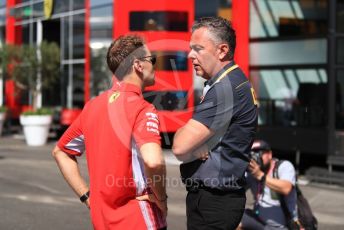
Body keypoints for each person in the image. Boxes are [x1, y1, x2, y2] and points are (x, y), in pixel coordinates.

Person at [52, 35, 167, 230]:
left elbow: (60, 152)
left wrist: (87, 196)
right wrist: (162, 199)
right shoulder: (142, 108)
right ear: (138, 65)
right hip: (139, 220)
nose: (154, 65)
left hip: (101, 221)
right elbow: (153, 161)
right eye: (152, 60)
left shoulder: (92, 107)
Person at [172, 17, 258, 230]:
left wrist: (192, 145)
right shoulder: (228, 83)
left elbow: (180, 147)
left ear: (222, 50)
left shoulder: (225, 89)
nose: (191, 55)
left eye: (198, 49)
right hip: (214, 199)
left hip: (215, 201)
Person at [238, 140, 298, 230]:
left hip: (282, 227)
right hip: (259, 221)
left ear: (270, 154)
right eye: (252, 154)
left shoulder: (284, 166)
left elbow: (286, 188)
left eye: (259, 153)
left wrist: (260, 175)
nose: (255, 157)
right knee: (233, 218)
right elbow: (236, 186)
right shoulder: (252, 173)